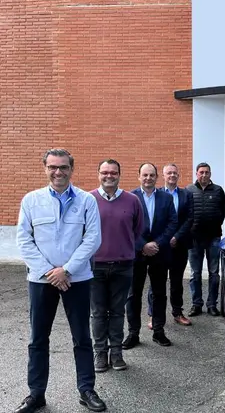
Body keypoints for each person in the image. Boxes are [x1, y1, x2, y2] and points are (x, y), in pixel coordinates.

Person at [14, 148, 107, 412]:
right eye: (53, 167)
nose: (58, 172)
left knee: (82, 337)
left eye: (63, 167)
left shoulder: (86, 201)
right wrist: (50, 272)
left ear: (71, 169)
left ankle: (86, 389)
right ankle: (36, 394)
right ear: (45, 168)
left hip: (76, 279)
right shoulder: (31, 200)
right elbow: (24, 240)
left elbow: (93, 239)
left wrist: (66, 270)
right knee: (38, 339)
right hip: (41, 280)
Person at [89, 159, 144, 373]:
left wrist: (124, 248)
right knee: (98, 313)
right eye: (105, 172)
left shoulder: (132, 200)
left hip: (123, 266)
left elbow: (137, 230)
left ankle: (117, 354)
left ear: (119, 175)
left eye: (113, 172)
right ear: (98, 174)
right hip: (95, 267)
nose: (109, 176)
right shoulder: (88, 200)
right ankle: (100, 354)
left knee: (118, 312)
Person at [124, 163, 178, 348]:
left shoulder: (166, 198)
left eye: (152, 175)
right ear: (139, 176)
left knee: (159, 293)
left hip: (159, 252)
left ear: (157, 177)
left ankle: (158, 331)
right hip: (136, 253)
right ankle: (133, 333)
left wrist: (157, 243)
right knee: (133, 294)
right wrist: (142, 245)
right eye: (145, 175)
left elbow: (172, 223)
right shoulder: (130, 197)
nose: (148, 178)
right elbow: (127, 226)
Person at [146, 163, 194, 328]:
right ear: (163, 176)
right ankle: (153, 315)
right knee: (156, 283)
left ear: (178, 175)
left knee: (177, 282)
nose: (172, 175)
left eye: (175, 173)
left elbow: (190, 218)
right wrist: (164, 239)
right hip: (160, 246)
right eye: (169, 173)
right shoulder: (156, 194)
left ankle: (177, 313)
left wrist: (176, 237)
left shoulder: (186, 194)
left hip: (179, 245)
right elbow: (154, 220)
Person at [186, 162, 225, 317]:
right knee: (195, 274)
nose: (204, 175)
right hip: (194, 239)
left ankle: (212, 305)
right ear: (196, 173)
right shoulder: (189, 190)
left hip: (213, 238)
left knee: (214, 273)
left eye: (207, 172)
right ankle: (196, 304)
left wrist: (214, 224)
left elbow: (223, 211)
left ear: (210, 174)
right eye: (201, 172)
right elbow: (185, 212)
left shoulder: (218, 190)